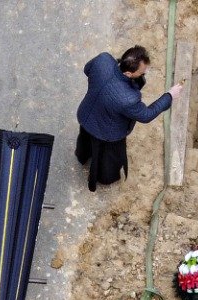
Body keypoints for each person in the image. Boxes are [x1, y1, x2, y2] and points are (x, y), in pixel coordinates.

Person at [75, 46, 183, 191]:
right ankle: (103, 177)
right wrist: (169, 96)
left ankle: (83, 156)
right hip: (107, 133)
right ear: (128, 73)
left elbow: (87, 69)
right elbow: (146, 115)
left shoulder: (103, 59)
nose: (145, 73)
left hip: (86, 115)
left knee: (86, 141)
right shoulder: (129, 98)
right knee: (107, 161)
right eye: (142, 72)